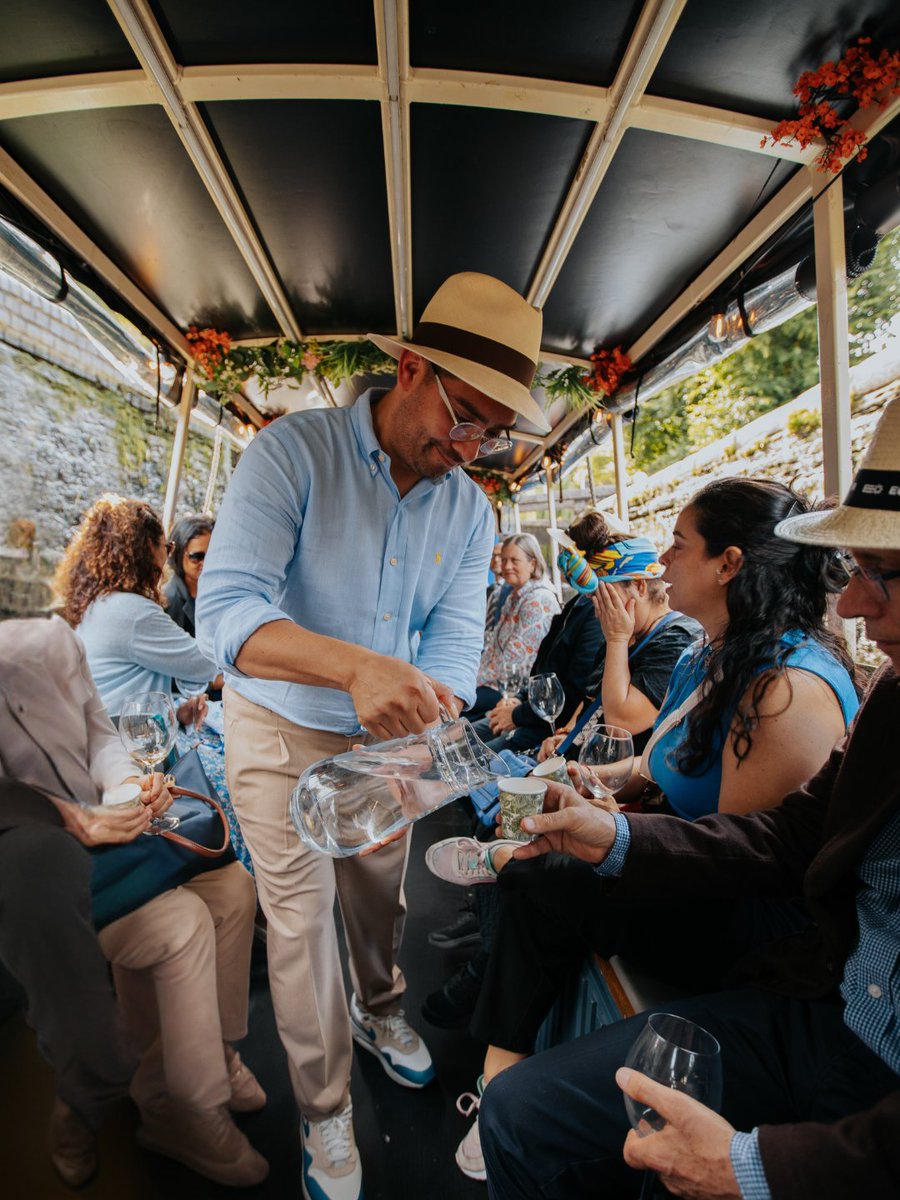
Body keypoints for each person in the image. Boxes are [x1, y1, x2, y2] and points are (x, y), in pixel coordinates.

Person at [477, 397, 900, 1200]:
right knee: (517, 1112)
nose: (851, 602)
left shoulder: (786, 685)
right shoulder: (870, 693)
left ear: (731, 564)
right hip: (829, 1011)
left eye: (883, 573)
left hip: (780, 971)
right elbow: (787, 834)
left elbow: (749, 871)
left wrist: (757, 1166)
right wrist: (613, 831)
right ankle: (496, 1056)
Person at [195, 271, 550, 1199]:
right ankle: (325, 1114)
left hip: (388, 744)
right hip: (276, 728)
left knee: (378, 898)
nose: (470, 447)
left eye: (493, 434)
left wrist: (426, 739)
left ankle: (383, 1011)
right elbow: (226, 612)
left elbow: (458, 644)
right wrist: (354, 668)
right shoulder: (291, 454)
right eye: (463, 416)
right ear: (408, 368)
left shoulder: (470, 507)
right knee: (302, 929)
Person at [0, 617, 266, 1189]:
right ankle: (186, 1112)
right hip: (37, 880)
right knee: (182, 922)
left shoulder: (48, 640)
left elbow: (100, 736)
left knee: (234, 888)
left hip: (111, 852)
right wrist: (70, 818)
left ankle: (207, 1060)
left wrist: (128, 789)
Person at [54, 497, 251, 869]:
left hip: (110, 734)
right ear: (147, 549)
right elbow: (208, 663)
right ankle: (229, 868)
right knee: (235, 780)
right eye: (169, 546)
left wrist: (179, 708)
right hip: (124, 744)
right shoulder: (133, 612)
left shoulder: (99, 602)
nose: (168, 556)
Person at [471, 512, 611, 754]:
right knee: (462, 739)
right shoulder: (576, 604)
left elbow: (572, 692)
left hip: (543, 726)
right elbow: (543, 670)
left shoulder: (593, 614)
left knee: (471, 753)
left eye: (566, 552)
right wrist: (518, 699)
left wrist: (516, 712)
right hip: (527, 705)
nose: (561, 558)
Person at [470, 533, 560, 721]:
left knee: (455, 705)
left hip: (515, 691)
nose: (507, 566)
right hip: (495, 682)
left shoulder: (539, 600)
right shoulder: (513, 595)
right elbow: (492, 647)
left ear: (532, 564)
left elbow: (514, 661)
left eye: (514, 560)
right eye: (504, 560)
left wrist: (470, 681)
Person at [163, 511, 214, 640]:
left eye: (212, 554)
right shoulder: (168, 601)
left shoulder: (219, 592)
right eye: (197, 557)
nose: (206, 563)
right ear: (178, 554)